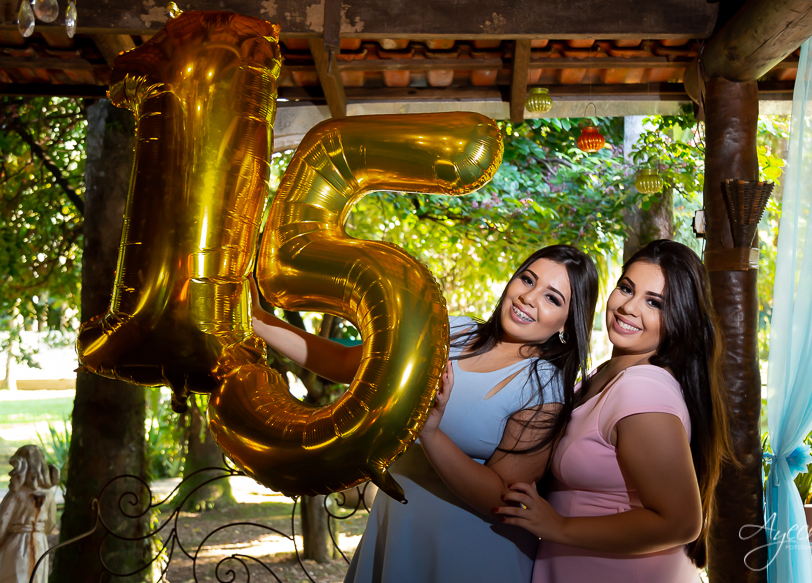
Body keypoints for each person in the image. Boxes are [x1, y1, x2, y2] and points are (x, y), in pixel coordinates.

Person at [250, 244, 599, 583]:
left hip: (469, 554)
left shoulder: (543, 388)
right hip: (398, 530)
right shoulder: (454, 330)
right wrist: (260, 321)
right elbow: (346, 364)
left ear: (567, 323)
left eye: (552, 297)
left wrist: (429, 431)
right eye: (527, 279)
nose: (529, 297)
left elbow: (502, 498)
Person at [496, 239, 734, 583]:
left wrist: (558, 525)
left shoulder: (642, 389)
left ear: (678, 320)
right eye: (626, 288)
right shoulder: (604, 374)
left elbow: (681, 522)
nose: (628, 307)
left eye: (653, 303)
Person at [0, 445, 59, 583]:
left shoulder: (16, 495)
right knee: (36, 577)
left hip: (16, 545)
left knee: (14, 577)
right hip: (39, 542)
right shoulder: (49, 494)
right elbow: (50, 523)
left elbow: (1, 523)